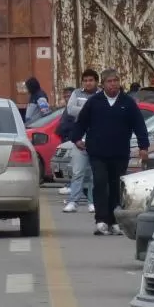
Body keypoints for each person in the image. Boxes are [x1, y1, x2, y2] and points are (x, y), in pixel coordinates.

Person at [71, 69, 149, 236]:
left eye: (116, 81)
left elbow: (139, 125)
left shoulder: (127, 103)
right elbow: (81, 122)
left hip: (119, 152)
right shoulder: (94, 102)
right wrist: (76, 138)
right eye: (110, 81)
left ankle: (114, 221)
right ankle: (101, 220)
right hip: (97, 152)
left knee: (116, 187)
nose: (113, 84)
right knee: (100, 183)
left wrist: (144, 146)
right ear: (103, 84)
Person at [57, 70, 99, 214]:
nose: (88, 83)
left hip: (96, 139)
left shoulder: (101, 94)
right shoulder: (76, 93)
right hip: (79, 139)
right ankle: (73, 202)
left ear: (96, 81)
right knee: (78, 172)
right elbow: (70, 109)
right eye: (85, 80)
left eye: (91, 80)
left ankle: (92, 202)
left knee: (94, 174)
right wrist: (90, 109)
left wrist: (83, 110)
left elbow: (101, 111)